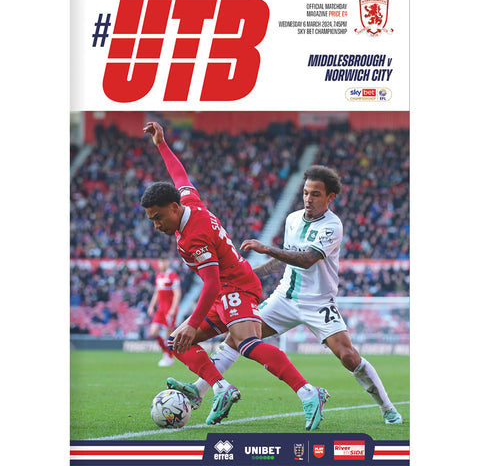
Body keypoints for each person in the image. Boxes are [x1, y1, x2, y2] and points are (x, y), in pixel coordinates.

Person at [167, 165, 403, 425]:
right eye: (305, 193)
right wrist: (247, 273)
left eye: (315, 194)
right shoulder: (292, 219)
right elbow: (285, 260)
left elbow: (307, 259)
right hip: (283, 298)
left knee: (348, 356)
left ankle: (387, 407)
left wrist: (267, 248)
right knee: (237, 338)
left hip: (318, 303)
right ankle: (199, 390)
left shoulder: (332, 226)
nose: (308, 199)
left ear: (330, 197)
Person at [140, 122, 329, 430]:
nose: (156, 225)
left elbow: (212, 283)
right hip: (226, 288)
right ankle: (215, 388)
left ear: (174, 208)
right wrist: (161, 144)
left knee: (247, 343)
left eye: (158, 217)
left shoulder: (194, 237)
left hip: (234, 286)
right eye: (152, 219)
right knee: (177, 342)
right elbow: (179, 176)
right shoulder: (189, 202)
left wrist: (192, 321)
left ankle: (309, 393)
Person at [147, 258, 182, 367]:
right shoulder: (158, 276)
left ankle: (169, 357)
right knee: (153, 332)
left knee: (168, 336)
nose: (161, 265)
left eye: (163, 262)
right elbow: (156, 293)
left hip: (169, 310)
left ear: (167, 263)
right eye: (160, 262)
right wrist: (151, 306)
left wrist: (173, 308)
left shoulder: (173, 276)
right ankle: (167, 354)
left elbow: (177, 293)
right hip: (160, 310)